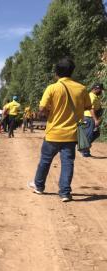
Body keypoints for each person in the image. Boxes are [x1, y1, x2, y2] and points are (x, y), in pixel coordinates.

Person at [29, 58, 91, 202]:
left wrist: (50, 112)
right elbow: (88, 106)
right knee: (68, 162)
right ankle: (65, 193)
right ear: (72, 72)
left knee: (45, 160)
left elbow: (42, 109)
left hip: (53, 133)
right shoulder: (81, 88)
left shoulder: (52, 88)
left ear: (56, 72)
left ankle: (38, 186)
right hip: (71, 134)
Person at [81, 83, 104, 157]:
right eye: (100, 90)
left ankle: (85, 147)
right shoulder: (91, 96)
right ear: (96, 89)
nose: (101, 91)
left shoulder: (95, 96)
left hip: (91, 117)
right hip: (89, 117)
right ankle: (84, 150)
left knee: (96, 133)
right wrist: (95, 120)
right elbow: (91, 109)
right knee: (89, 134)